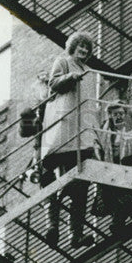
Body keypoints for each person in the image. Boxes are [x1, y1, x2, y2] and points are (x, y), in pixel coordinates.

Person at [41, 32, 99, 249]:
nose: (83, 50)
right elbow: (53, 84)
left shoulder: (89, 71)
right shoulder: (63, 61)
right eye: (81, 46)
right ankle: (52, 225)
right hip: (64, 127)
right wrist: (69, 77)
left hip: (82, 130)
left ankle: (76, 234)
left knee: (81, 186)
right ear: (73, 46)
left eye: (87, 47)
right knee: (54, 178)